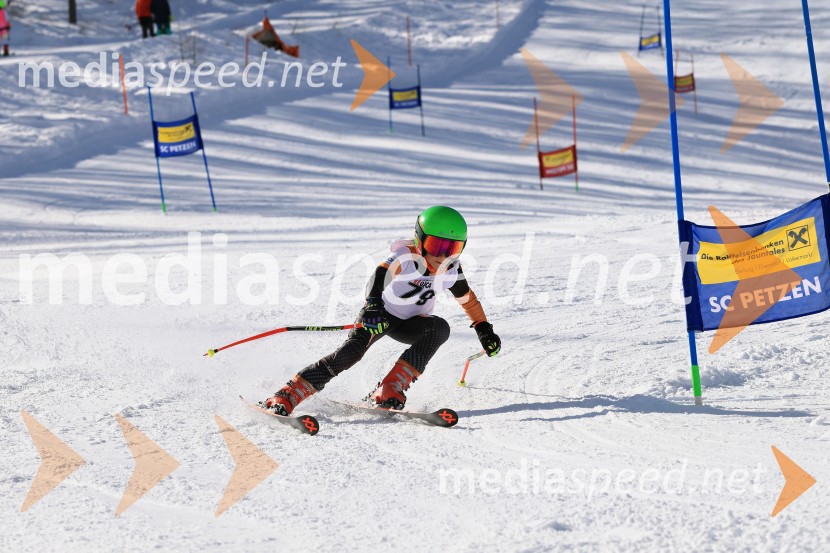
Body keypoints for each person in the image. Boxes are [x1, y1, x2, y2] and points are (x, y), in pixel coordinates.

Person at [260, 206, 502, 415]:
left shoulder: (451, 269)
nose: (442, 255)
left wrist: (484, 329)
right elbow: (381, 273)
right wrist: (372, 304)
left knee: (440, 328)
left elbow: (468, 300)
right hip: (379, 316)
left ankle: (389, 388)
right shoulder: (406, 256)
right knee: (350, 353)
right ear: (419, 239)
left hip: (412, 324)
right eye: (437, 245)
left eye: (452, 248)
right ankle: (288, 394)